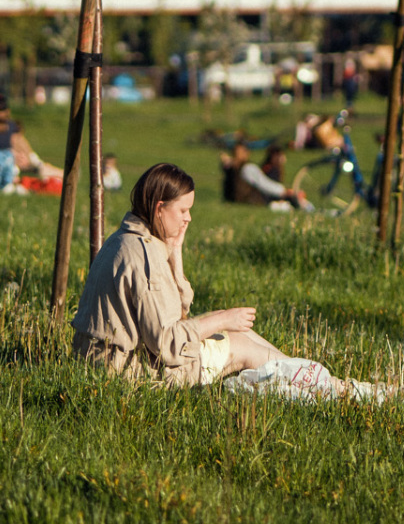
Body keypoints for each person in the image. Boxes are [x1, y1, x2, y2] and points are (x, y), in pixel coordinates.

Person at [72, 162, 288, 386]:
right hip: (128, 372)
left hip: (104, 361)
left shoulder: (125, 239)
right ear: (159, 209)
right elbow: (167, 344)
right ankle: (314, 384)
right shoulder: (144, 257)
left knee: (232, 329)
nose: (189, 218)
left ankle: (303, 370)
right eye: (183, 210)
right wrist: (223, 319)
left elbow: (177, 311)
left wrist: (175, 250)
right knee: (242, 345)